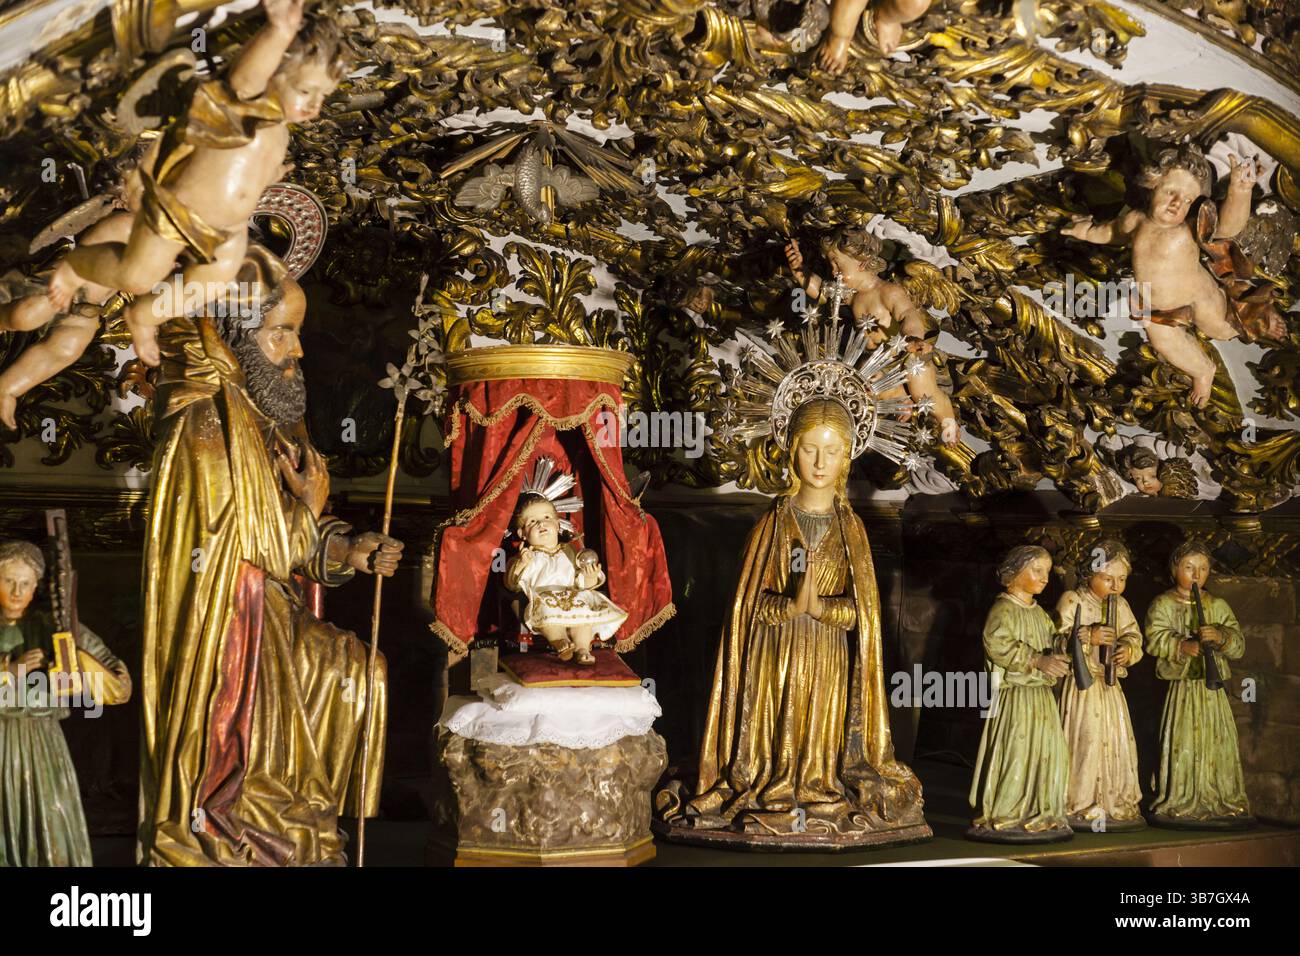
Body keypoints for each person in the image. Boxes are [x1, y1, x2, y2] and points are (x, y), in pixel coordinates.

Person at [136, 265, 404, 866]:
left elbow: (294, 539)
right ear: (238, 337)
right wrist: (310, 510)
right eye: (282, 333)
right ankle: (239, 826)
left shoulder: (272, 416)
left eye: (297, 333)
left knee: (364, 675)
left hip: (275, 617)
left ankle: (306, 818)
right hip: (229, 631)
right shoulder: (206, 421)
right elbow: (247, 542)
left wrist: (346, 549)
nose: (298, 349)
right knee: (329, 683)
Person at [668, 398, 928, 845]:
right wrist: (788, 607)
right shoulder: (773, 524)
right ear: (791, 450)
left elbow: (861, 614)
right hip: (775, 650)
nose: (821, 462)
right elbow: (748, 607)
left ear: (848, 457)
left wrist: (822, 609)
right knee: (774, 729)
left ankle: (816, 783)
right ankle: (770, 780)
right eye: (810, 449)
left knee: (819, 735)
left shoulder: (852, 531)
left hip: (827, 652)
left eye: (832, 451)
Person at [0, 539, 131, 866]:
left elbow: (119, 684)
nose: (17, 591)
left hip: (43, 746)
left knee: (50, 823)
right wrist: (8, 671)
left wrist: (77, 662)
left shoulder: (54, 628)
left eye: (25, 583)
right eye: (8, 581)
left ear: (36, 587)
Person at [1145, 539, 1253, 828]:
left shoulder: (1217, 605)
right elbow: (1154, 639)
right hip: (1182, 689)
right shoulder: (1164, 603)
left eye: (1203, 568)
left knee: (1217, 740)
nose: (1196, 575)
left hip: (1211, 690)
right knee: (1182, 740)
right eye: (1189, 567)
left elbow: (1239, 644)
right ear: (1174, 569)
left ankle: (1219, 797)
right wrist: (1181, 645)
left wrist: (1220, 637)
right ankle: (1181, 798)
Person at [968, 545, 1072, 842]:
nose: (1045, 579)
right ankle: (1008, 811)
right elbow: (998, 644)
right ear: (1014, 573)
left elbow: (1051, 642)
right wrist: (1037, 660)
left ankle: (1042, 809)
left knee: (1049, 754)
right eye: (1037, 570)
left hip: (1041, 699)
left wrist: (1070, 643)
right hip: (1017, 699)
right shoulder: (1003, 609)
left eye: (1048, 573)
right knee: (1017, 754)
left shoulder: (1039, 613)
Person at [1055, 539, 1144, 831]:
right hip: (1082, 689)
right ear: (1088, 574)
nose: (1116, 586)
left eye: (1122, 579)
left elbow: (1134, 635)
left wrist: (1128, 650)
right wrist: (1087, 637)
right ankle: (1079, 802)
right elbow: (1054, 638)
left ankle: (1113, 800)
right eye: (1108, 578)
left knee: (1116, 738)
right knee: (1087, 738)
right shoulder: (1072, 600)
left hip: (1110, 687)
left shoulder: (1121, 605)